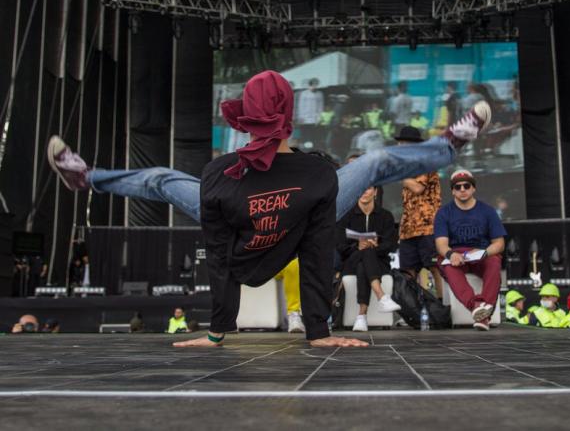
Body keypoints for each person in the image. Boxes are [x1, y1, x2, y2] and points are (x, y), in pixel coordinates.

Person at [47, 71, 493, 348]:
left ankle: (449, 144)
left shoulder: (311, 170)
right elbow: (221, 254)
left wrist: (316, 330)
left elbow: (318, 252)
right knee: (164, 178)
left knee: (375, 161)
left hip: (298, 210)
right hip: (248, 224)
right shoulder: (225, 175)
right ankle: (86, 178)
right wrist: (221, 328)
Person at [434, 169, 505, 331]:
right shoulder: (444, 213)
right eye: (458, 187)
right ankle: (479, 308)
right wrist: (452, 254)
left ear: (473, 188)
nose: (462, 190)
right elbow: (441, 244)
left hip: (481, 253)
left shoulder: (487, 211)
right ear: (452, 191)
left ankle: (482, 312)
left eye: (467, 186)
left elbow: (499, 243)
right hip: (456, 254)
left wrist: (484, 253)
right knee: (450, 267)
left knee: (494, 262)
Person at [337, 186, 401, 332]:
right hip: (351, 260)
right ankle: (381, 297)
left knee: (365, 261)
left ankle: (361, 317)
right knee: (365, 253)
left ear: (375, 192)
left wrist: (377, 245)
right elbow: (340, 246)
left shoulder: (386, 216)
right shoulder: (346, 216)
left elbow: (391, 245)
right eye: (361, 188)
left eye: (368, 188)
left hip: (379, 262)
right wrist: (357, 246)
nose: (363, 192)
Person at [396, 126, 443, 300]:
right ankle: (414, 308)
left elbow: (417, 187)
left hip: (428, 226)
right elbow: (409, 201)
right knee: (408, 270)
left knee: (434, 267)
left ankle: (441, 305)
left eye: (404, 143)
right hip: (409, 228)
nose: (400, 146)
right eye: (399, 142)